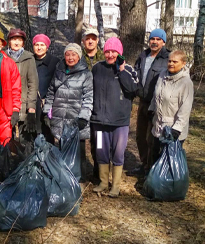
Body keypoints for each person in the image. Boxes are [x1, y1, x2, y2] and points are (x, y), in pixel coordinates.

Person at [90, 37, 138, 197]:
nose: (110, 54)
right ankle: (103, 182)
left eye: (114, 52)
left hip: (119, 122)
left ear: (120, 53)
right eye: (108, 51)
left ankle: (115, 186)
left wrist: (122, 70)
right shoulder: (97, 68)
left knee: (118, 154)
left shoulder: (128, 70)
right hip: (99, 121)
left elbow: (133, 90)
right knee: (100, 152)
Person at [43, 43, 93, 182]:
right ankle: (61, 180)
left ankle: (78, 182)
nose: (70, 57)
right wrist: (46, 112)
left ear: (79, 56)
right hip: (59, 118)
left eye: (74, 54)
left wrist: (83, 117)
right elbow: (51, 93)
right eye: (67, 54)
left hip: (76, 120)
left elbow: (88, 98)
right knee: (59, 150)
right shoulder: (59, 71)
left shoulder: (86, 74)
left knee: (78, 153)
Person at [130, 29, 170, 176]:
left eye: (158, 39)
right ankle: (144, 164)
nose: (154, 42)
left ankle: (151, 168)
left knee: (152, 137)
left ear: (163, 42)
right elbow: (135, 74)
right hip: (142, 102)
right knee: (140, 136)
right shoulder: (143, 56)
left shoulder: (167, 58)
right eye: (152, 39)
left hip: (157, 104)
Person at [149, 50, 193, 165]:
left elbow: (185, 108)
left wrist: (177, 129)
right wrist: (151, 109)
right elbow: (156, 94)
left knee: (168, 161)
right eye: (169, 61)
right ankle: (152, 181)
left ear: (183, 63)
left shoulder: (186, 82)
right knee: (154, 155)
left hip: (172, 129)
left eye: (175, 61)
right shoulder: (162, 74)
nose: (171, 64)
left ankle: (167, 183)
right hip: (158, 124)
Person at [6, 28, 39, 152]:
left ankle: (25, 166)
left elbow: (33, 83)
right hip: (6, 105)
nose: (16, 42)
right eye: (13, 39)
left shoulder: (29, 58)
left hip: (24, 104)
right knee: (8, 140)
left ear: (23, 43)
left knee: (25, 141)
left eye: (19, 40)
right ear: (9, 41)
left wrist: (31, 109)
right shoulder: (3, 57)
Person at [81, 27, 106, 179]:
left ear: (97, 40)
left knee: (99, 140)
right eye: (87, 38)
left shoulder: (105, 57)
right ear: (83, 41)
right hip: (82, 105)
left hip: (100, 106)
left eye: (93, 38)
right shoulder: (77, 56)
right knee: (81, 139)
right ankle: (81, 171)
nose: (90, 41)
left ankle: (99, 170)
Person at [32, 34, 60, 144]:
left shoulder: (55, 62)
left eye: (42, 45)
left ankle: (47, 159)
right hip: (32, 104)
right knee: (32, 134)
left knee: (47, 135)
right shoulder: (30, 60)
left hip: (49, 104)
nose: (39, 48)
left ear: (47, 47)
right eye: (37, 45)